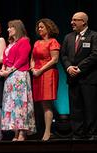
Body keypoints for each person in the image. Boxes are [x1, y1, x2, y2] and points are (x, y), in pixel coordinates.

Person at [61, 12, 97, 140]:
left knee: (90, 107)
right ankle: (78, 133)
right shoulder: (68, 37)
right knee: (75, 107)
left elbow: (94, 55)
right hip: (73, 78)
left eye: (75, 20)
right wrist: (69, 67)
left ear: (84, 22)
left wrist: (79, 68)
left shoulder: (93, 36)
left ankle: (92, 133)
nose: (72, 22)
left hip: (88, 78)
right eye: (72, 19)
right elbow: (63, 55)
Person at [0, 19, 36, 141]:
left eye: (11, 27)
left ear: (17, 28)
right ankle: (15, 132)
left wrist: (9, 70)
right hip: (9, 78)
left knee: (21, 104)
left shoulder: (24, 41)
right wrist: (3, 69)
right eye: (8, 27)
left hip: (19, 75)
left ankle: (22, 133)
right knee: (12, 105)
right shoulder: (10, 43)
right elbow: (5, 59)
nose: (8, 29)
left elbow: (22, 59)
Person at [30, 18, 60, 141]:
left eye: (42, 27)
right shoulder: (37, 42)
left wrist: (40, 70)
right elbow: (32, 58)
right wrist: (32, 69)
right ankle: (44, 130)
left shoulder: (53, 42)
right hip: (37, 74)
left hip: (48, 73)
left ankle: (48, 132)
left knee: (47, 103)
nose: (39, 29)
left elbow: (54, 59)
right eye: (38, 27)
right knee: (41, 104)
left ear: (48, 28)